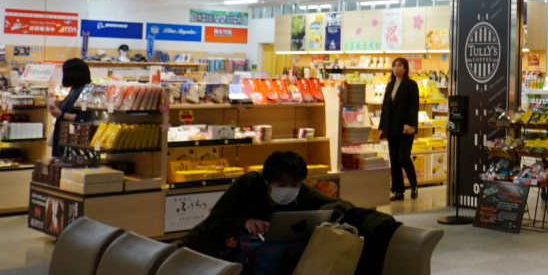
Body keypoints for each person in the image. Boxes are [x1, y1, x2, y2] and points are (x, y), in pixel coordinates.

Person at [180, 151, 349, 258]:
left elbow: (343, 205)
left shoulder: (304, 192)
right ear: (266, 181)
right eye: (281, 185)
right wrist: (245, 223)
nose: (288, 189)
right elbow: (212, 223)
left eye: (294, 184)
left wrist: (317, 216)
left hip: (245, 260)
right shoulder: (248, 184)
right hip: (201, 249)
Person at [379, 57, 420, 201]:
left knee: (403, 156)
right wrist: (382, 127)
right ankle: (398, 191)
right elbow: (385, 107)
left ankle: (414, 185)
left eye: (399, 65)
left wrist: (412, 125)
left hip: (405, 128)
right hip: (391, 128)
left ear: (406, 68)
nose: (396, 68)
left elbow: (414, 106)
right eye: (394, 65)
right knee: (394, 160)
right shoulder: (390, 85)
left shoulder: (411, 85)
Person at [49, 58, 92, 157]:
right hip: (66, 138)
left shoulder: (83, 91)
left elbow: (84, 117)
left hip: (73, 141)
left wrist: (61, 114)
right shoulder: (75, 89)